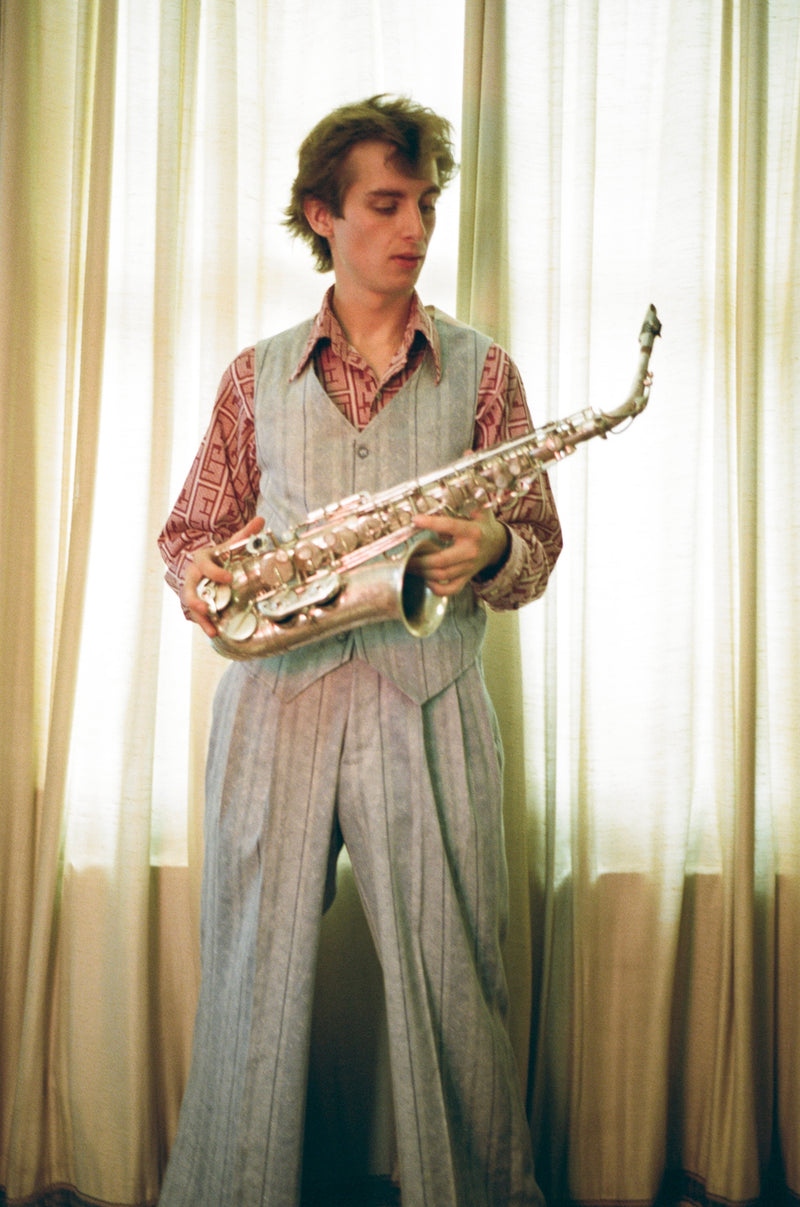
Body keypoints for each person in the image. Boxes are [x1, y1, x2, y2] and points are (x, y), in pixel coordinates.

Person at [157, 94, 562, 1207]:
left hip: (424, 704)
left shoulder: (484, 372)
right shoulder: (255, 375)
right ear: (320, 215)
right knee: (251, 986)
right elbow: (187, 536)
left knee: (452, 990)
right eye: (385, 203)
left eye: (425, 201)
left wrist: (487, 548)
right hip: (276, 709)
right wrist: (216, 587)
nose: (414, 226)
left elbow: (537, 550)